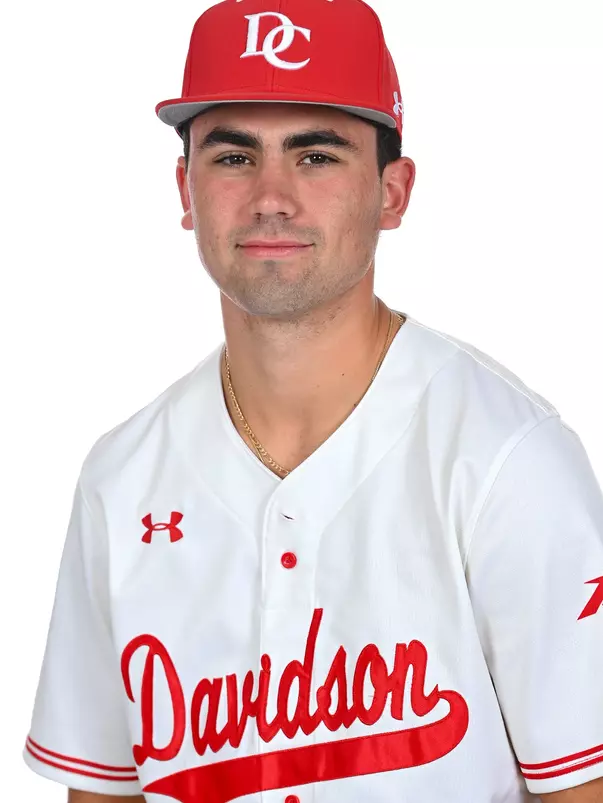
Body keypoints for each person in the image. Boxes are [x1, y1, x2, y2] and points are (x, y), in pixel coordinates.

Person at [22, 0, 603, 801]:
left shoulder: (506, 459)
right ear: (185, 189)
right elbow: (101, 788)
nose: (271, 196)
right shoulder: (120, 477)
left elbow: (579, 786)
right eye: (232, 157)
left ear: (392, 193)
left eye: (317, 155)